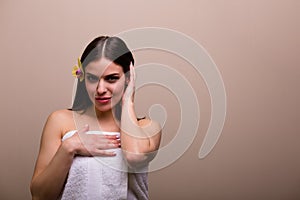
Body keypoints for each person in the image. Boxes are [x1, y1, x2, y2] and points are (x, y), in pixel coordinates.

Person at [30, 36, 162, 200]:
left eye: (111, 78)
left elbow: (133, 156)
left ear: (128, 78)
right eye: (92, 78)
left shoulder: (147, 127)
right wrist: (69, 147)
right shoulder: (60, 121)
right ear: (83, 77)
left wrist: (128, 101)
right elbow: (39, 196)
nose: (100, 89)